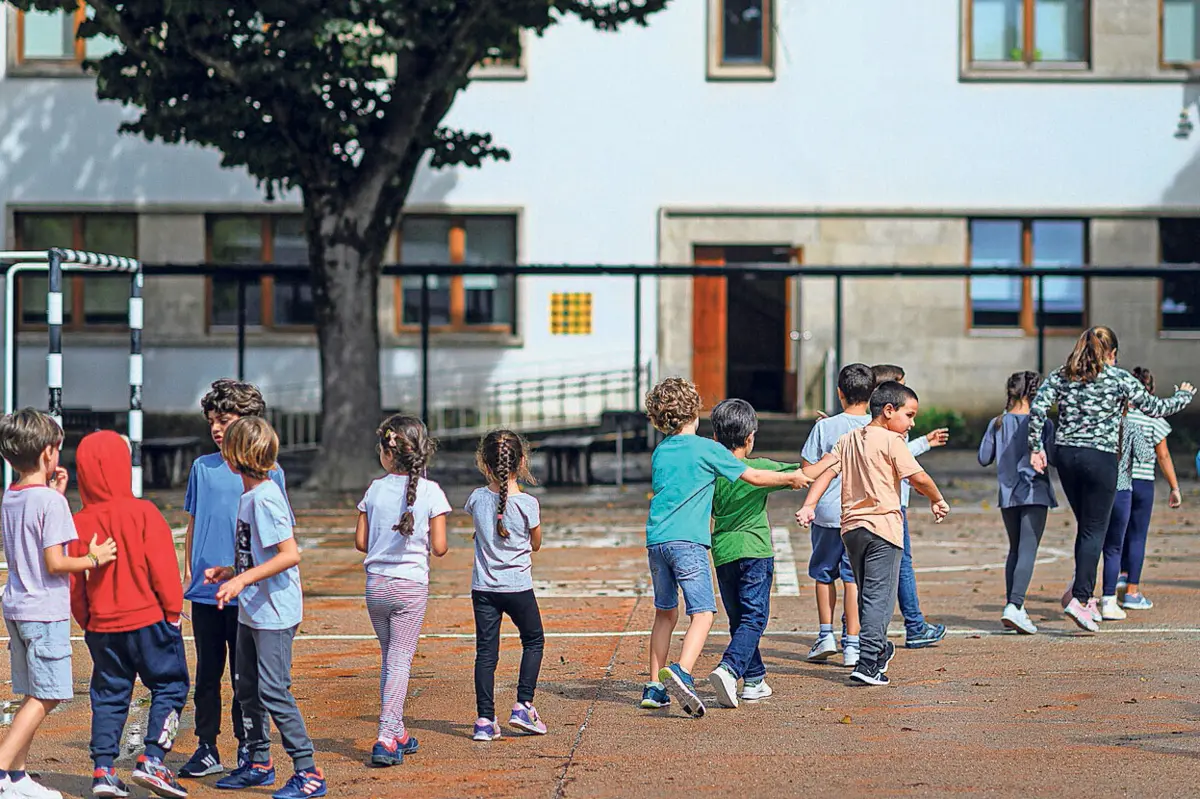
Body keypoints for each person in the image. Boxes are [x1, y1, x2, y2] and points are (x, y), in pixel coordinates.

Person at [640, 377, 833, 717]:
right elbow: (754, 476)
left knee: (665, 613)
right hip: (689, 542)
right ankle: (683, 671)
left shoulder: (661, 451)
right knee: (703, 613)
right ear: (694, 412)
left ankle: (655, 686)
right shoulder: (707, 449)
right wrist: (793, 476)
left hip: (656, 540)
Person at [1029, 326, 1194, 632]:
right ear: (1111, 353)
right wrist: (1184, 395)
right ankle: (1081, 598)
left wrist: (1036, 448)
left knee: (1086, 527)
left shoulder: (1062, 375)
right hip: (1099, 457)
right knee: (1094, 530)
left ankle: (1085, 593)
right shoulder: (1117, 378)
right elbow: (1155, 408)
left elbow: (1038, 408)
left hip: (1066, 456)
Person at [203, 417, 326, 799]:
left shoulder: (266, 498)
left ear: (235, 457)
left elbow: (289, 555)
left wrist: (242, 581)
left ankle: (308, 771)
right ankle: (258, 763)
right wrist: (231, 570)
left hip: (274, 613)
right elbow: (257, 553)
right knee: (247, 688)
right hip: (253, 610)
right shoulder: (249, 496)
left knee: (273, 691)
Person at [797, 382, 950, 687]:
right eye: (909, 415)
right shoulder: (893, 441)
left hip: (852, 531)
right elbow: (918, 477)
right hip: (883, 531)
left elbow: (825, 472)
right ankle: (867, 663)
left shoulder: (849, 439)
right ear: (888, 410)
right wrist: (937, 499)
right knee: (879, 598)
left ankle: (878, 650)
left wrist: (809, 504)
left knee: (869, 594)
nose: (912, 423)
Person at [0, 409, 117, 799]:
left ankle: (16, 777)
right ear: (48, 453)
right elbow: (55, 562)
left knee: (33, 693)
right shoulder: (51, 503)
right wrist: (94, 557)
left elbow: (35, 535)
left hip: (18, 607)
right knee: (48, 694)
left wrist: (55, 494)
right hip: (44, 611)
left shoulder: (12, 495)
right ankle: (2, 768)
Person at [68, 431, 190, 799]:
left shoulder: (78, 522)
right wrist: (173, 611)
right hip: (149, 620)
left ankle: (104, 770)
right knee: (170, 685)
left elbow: (75, 583)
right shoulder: (144, 512)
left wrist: (87, 621)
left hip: (102, 626)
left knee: (108, 695)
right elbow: (164, 569)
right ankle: (153, 759)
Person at [180, 380, 290, 780]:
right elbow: (193, 524)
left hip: (248, 593)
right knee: (207, 674)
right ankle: (206, 746)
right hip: (207, 592)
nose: (215, 427)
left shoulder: (270, 473)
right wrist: (189, 573)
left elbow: (279, 538)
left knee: (247, 677)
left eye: (224, 420)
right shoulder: (202, 467)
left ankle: (250, 747)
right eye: (211, 420)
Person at [355, 415, 450, 765]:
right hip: (410, 587)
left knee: (390, 660)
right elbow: (439, 547)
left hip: (376, 586)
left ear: (386, 452)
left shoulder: (374, 489)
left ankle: (397, 731)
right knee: (400, 661)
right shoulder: (432, 491)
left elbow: (361, 541)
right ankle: (385, 735)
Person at [707, 399, 797, 708]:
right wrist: (835, 457)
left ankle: (755, 680)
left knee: (739, 619)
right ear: (750, 438)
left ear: (715, 437)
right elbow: (803, 473)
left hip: (723, 552)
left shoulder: (710, 471)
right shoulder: (760, 468)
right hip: (755, 551)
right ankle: (729, 669)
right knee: (755, 617)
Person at [466, 430, 547, 742]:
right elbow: (536, 544)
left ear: (484, 464)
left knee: (486, 653)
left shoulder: (476, 499)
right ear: (522, 461)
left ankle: (485, 720)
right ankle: (524, 705)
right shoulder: (528, 503)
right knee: (534, 640)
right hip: (517, 588)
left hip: (484, 589)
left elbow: (482, 527)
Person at [869, 364, 949, 649]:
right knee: (897, 567)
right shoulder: (889, 433)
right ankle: (912, 626)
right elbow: (907, 465)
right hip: (889, 507)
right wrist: (935, 497)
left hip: (864, 510)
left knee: (862, 573)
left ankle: (853, 634)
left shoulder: (862, 429)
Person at [799, 364, 873, 667]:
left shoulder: (825, 427)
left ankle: (826, 634)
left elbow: (807, 470)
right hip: (861, 513)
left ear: (839, 392)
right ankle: (852, 643)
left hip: (828, 512)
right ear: (872, 394)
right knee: (853, 579)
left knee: (823, 574)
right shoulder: (878, 427)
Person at [977, 372, 1057, 634]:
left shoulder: (997, 422)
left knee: (1015, 549)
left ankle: (1013, 607)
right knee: (1027, 550)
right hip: (1035, 492)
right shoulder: (1043, 423)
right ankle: (1015, 604)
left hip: (1008, 494)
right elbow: (1054, 457)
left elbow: (983, 457)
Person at [1117, 366, 1183, 611]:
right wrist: (1174, 487)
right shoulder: (1154, 418)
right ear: (1150, 391)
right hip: (1143, 483)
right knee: (1137, 535)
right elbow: (1163, 455)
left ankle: (1120, 576)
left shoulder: (1118, 416)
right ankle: (1132, 592)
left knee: (1118, 533)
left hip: (1119, 482)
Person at [1098, 406, 1154, 621]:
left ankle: (1082, 597)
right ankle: (1110, 600)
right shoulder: (1128, 425)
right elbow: (1146, 455)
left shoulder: (1098, 425)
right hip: (1122, 489)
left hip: (1098, 489)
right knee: (1114, 548)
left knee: (1091, 542)